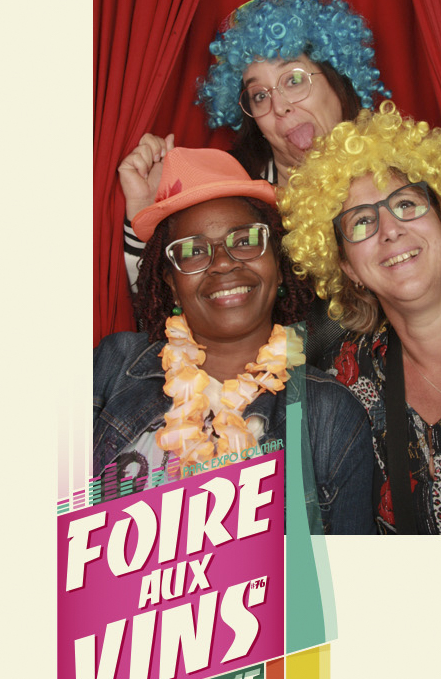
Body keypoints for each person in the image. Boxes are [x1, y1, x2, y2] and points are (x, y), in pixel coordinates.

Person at [115, 0, 441, 362]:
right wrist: (144, 216)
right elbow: (165, 314)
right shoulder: (233, 194)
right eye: (260, 95)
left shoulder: (401, 165)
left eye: (293, 80)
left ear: (336, 76)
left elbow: (431, 306)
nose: (279, 106)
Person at [94, 147, 374, 534]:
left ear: (279, 266)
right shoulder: (111, 366)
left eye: (245, 240)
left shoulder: (331, 415)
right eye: (193, 251)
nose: (223, 262)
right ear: (172, 284)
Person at [282, 105, 441, 534]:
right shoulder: (343, 389)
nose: (390, 229)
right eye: (362, 221)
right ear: (347, 267)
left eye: (406, 204)